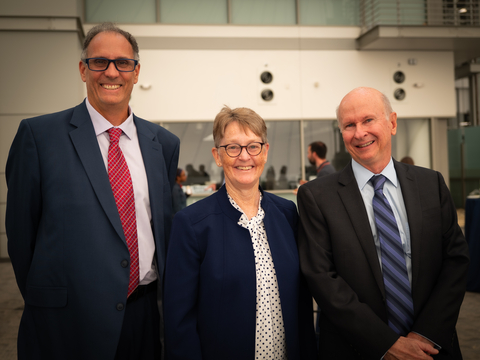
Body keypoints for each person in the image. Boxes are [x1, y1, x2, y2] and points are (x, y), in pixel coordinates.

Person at [5, 22, 179, 360]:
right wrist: (48, 299)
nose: (111, 72)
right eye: (100, 62)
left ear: (136, 72)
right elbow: (21, 237)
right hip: (67, 321)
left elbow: (160, 226)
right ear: (83, 70)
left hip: (144, 317)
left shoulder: (164, 144)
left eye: (122, 63)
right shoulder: (39, 137)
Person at [297, 87, 469, 360]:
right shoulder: (317, 197)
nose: (359, 133)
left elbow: (456, 260)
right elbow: (322, 279)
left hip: (432, 347)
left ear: (392, 123)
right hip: (356, 349)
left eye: (368, 120)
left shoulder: (431, 184)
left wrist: (424, 335)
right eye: (349, 125)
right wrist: (387, 344)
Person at [164, 106, 317, 360]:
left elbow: (302, 304)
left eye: (253, 146)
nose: (244, 156)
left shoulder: (287, 214)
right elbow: (179, 322)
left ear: (265, 152)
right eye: (233, 147)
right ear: (217, 155)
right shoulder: (192, 224)